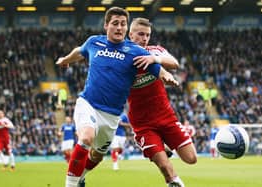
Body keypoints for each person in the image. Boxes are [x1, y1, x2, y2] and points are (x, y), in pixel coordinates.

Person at [55, 7, 178, 187]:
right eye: (115, 23)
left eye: (123, 24)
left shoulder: (135, 51)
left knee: (96, 156)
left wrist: (166, 75)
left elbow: (157, 67)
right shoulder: (94, 43)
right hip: (88, 103)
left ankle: (80, 176)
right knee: (86, 137)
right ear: (106, 25)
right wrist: (65, 60)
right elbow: (79, 51)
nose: (119, 27)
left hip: (111, 115)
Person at [127, 18, 197, 187]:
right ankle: (173, 181)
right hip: (143, 123)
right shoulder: (122, 58)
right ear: (130, 35)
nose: (144, 38)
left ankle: (163, 145)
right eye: (140, 34)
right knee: (166, 167)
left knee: (191, 158)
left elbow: (174, 63)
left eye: (147, 35)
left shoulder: (154, 50)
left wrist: (154, 59)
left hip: (166, 117)